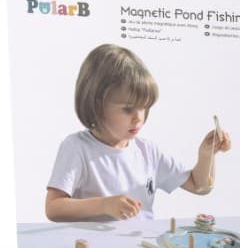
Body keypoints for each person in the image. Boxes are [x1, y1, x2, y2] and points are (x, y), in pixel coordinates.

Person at [46, 44, 230, 222]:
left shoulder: (148, 151)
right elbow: (53, 208)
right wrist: (104, 205)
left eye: (144, 107)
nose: (139, 118)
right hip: (95, 243)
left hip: (142, 242)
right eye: (128, 109)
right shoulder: (77, 148)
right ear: (97, 105)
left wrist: (207, 155)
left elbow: (200, 186)